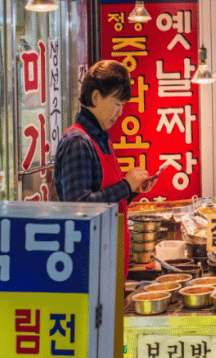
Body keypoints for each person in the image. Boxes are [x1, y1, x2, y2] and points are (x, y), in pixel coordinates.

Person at [54, 60, 156, 276]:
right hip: (89, 263)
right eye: (117, 104)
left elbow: (107, 200)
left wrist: (132, 190)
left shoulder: (101, 138)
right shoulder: (78, 141)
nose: (120, 112)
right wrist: (126, 184)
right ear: (96, 97)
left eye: (123, 105)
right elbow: (79, 207)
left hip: (109, 259)